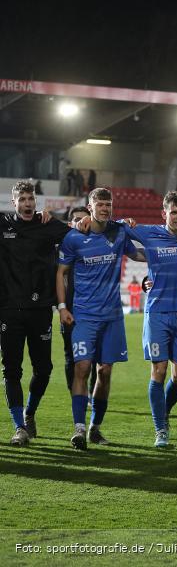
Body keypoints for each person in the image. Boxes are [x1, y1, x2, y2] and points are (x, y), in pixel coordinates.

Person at [57, 188, 145, 449]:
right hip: (84, 315)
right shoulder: (74, 237)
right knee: (81, 368)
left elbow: (138, 254)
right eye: (100, 204)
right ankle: (79, 428)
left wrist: (164, 256)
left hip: (112, 317)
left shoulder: (118, 232)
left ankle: (95, 427)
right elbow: (61, 272)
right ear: (90, 206)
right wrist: (63, 306)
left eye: (109, 204)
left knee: (104, 372)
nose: (105, 208)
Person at [120, 191, 177, 448]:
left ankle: (163, 412)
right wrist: (125, 223)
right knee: (158, 371)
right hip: (157, 313)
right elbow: (119, 231)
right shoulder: (148, 233)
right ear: (164, 214)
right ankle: (161, 429)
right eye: (174, 212)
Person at [1, 181, 71, 446]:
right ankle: (19, 426)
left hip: (41, 309)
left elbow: (78, 232)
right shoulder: (3, 225)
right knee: (11, 371)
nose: (28, 203)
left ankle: (30, 413)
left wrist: (88, 219)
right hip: (9, 310)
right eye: (23, 199)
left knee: (43, 369)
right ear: (14, 202)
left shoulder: (48, 225)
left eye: (32, 198)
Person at [61, 206, 97, 397]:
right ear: (69, 223)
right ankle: (74, 392)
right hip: (70, 310)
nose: (82, 222)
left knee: (93, 358)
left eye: (85, 218)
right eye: (76, 219)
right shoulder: (64, 247)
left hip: (95, 310)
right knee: (71, 357)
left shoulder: (97, 245)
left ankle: (90, 393)